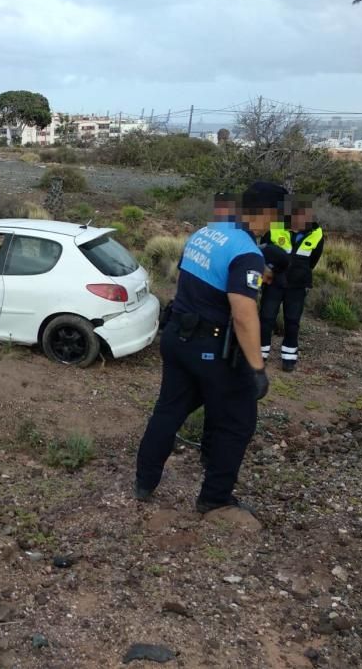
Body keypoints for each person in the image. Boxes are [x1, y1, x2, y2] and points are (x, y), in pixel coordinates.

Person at [135, 182, 283, 514]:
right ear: (268, 214)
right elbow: (244, 315)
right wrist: (257, 367)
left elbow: (200, 274)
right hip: (212, 346)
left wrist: (259, 271)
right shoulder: (246, 252)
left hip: (178, 335)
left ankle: (144, 482)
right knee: (237, 420)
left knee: (169, 410)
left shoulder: (208, 231)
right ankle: (214, 497)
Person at [259, 199, 324, 372]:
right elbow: (263, 252)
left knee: (292, 321)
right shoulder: (275, 228)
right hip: (274, 283)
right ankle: (260, 353)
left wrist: (300, 274)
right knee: (266, 318)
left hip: (297, 285)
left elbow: (313, 260)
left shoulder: (316, 233)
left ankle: (289, 357)